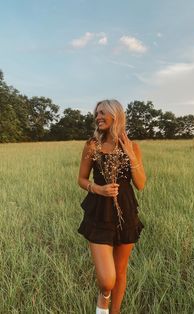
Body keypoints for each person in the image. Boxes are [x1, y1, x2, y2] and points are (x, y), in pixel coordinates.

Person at [77, 99, 146, 314]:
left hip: (126, 211)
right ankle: (103, 300)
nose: (97, 116)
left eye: (102, 113)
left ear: (116, 116)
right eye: (96, 113)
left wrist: (131, 155)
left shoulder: (132, 146)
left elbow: (141, 184)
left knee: (121, 271)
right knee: (107, 280)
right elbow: (81, 179)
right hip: (99, 212)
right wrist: (99, 189)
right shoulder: (92, 145)